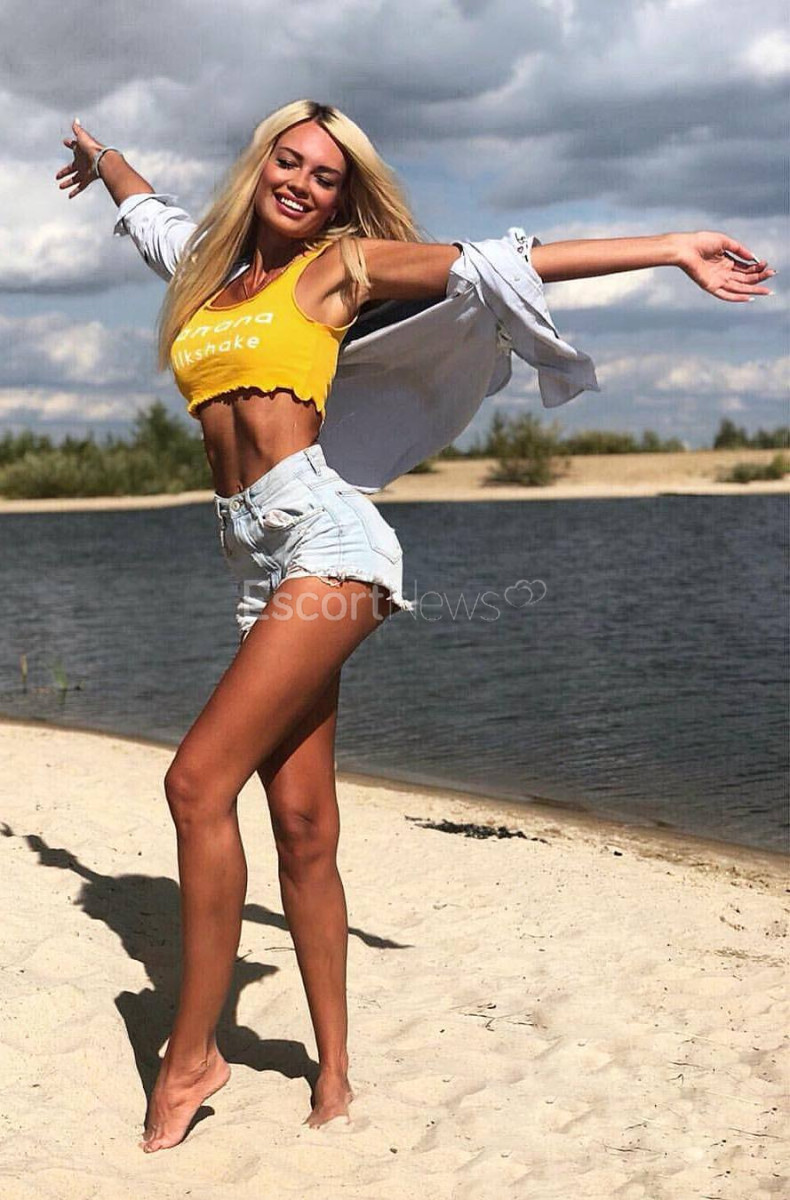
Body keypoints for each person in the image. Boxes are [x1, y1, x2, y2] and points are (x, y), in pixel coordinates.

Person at [55, 99, 775, 1154]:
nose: (303, 183)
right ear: (261, 166)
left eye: (326, 176)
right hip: (255, 560)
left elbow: (495, 264)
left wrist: (670, 246)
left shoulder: (340, 269)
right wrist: (104, 158)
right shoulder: (207, 271)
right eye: (290, 163)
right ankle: (335, 1075)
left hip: (329, 541)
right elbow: (146, 210)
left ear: (341, 200)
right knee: (303, 827)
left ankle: (193, 1052)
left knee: (195, 784)